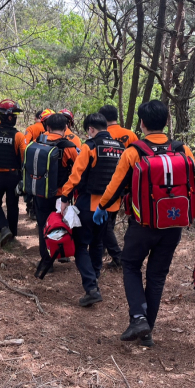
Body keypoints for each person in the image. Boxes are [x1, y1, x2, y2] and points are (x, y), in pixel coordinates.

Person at [94, 100, 195, 347]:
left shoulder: (134, 152)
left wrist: (101, 207)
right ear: (167, 122)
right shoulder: (183, 150)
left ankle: (138, 317)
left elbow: (114, 187)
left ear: (142, 123)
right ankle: (147, 331)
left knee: (130, 265)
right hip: (173, 226)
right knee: (157, 276)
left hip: (143, 225)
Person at [59, 113, 125, 307]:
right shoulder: (121, 148)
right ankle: (94, 277)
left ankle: (91, 288)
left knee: (80, 245)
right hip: (110, 206)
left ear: (91, 129)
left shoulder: (91, 146)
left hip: (89, 204)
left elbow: (76, 175)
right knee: (97, 243)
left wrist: (64, 198)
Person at [32, 113, 79, 275]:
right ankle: (61, 253)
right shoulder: (69, 147)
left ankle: (46, 260)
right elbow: (78, 171)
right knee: (62, 224)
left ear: (48, 127)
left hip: (40, 192)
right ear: (66, 128)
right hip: (62, 195)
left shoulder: (38, 142)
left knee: (42, 224)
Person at [97, 105, 140, 270]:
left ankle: (116, 255)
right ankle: (104, 251)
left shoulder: (101, 135)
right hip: (124, 186)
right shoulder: (131, 135)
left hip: (102, 184)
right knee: (109, 220)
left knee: (104, 223)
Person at [0, 99, 26, 247]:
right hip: (12, 176)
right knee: (12, 205)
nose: (15, 118)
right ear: (9, 117)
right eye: (15, 115)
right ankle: (12, 235)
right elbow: (24, 158)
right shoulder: (19, 136)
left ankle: (3, 228)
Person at [24, 109, 55, 220]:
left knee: (32, 183)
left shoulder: (31, 128)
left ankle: (31, 208)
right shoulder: (60, 133)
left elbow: (25, 145)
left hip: (34, 160)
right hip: (50, 165)